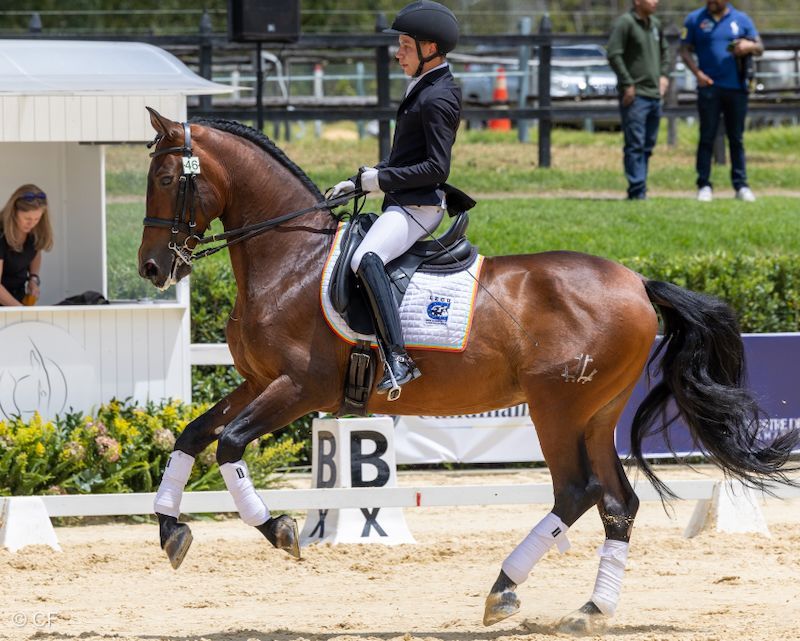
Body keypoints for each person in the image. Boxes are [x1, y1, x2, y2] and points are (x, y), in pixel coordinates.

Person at [330, 0, 461, 399]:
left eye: (405, 45)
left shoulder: (438, 97)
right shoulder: (424, 87)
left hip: (419, 207)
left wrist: (379, 180)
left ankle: (397, 358)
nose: (398, 52)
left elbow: (436, 168)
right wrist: (359, 181)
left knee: (364, 258)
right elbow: (406, 158)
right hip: (403, 201)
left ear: (430, 48)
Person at [680, 0, 762, 202]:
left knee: (736, 138)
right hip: (709, 87)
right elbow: (684, 50)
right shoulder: (694, 19)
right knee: (707, 136)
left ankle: (741, 185)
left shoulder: (741, 19)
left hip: (737, 88)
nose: (710, 2)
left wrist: (748, 45)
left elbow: (760, 47)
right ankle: (704, 184)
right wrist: (697, 73)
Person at [606, 0, 671, 200]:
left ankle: (640, 186)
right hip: (635, 96)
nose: (656, 1)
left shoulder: (655, 24)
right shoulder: (625, 23)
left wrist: (663, 75)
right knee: (635, 143)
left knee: (648, 144)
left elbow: (665, 52)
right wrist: (627, 83)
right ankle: (637, 189)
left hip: (654, 94)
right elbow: (613, 54)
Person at [0, 185, 53, 306]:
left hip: (17, 296)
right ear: (13, 212)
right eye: (27, 218)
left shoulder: (34, 231)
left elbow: (35, 252)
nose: (31, 223)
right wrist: (21, 311)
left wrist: (33, 279)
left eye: (37, 219)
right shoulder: (1, 235)